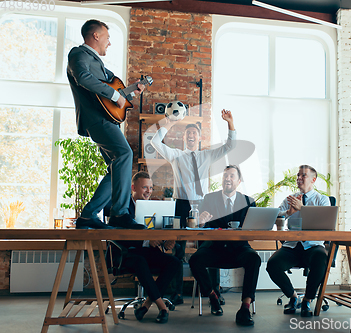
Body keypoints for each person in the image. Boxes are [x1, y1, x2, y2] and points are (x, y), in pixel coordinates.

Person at [67, 19, 146, 230]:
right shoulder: (78, 54)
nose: (109, 43)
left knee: (116, 168)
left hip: (103, 118)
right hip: (96, 119)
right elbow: (83, 77)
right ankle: (119, 214)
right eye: (108, 38)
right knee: (125, 154)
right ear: (96, 36)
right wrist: (114, 95)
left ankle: (88, 215)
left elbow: (115, 90)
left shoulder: (97, 63)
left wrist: (130, 91)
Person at [151, 110, 236, 304]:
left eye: (194, 133)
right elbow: (155, 143)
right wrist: (170, 122)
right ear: (183, 137)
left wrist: (230, 123)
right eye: (187, 133)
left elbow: (230, 145)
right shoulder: (175, 155)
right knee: (178, 250)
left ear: (199, 138)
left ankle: (215, 290)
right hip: (181, 205)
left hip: (204, 205)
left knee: (210, 247)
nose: (191, 136)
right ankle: (178, 293)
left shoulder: (207, 155)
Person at [188, 165, 260, 326]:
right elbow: (199, 227)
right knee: (195, 260)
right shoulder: (209, 199)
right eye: (225, 176)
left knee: (254, 259)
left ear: (239, 181)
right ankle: (213, 296)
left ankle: (245, 307)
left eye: (231, 176)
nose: (227, 179)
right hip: (214, 247)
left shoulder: (248, 201)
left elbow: (253, 231)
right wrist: (201, 222)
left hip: (239, 248)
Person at [108, 171, 182, 323]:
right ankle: (162, 307)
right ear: (133, 187)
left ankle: (146, 305)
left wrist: (165, 241)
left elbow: (156, 231)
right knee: (139, 260)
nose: (149, 191)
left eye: (151, 188)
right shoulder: (121, 208)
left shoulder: (153, 206)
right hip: (126, 254)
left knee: (174, 262)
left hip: (148, 252)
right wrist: (146, 241)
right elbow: (120, 236)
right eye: (144, 188)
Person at [266, 165, 330, 317]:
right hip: (292, 246)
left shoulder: (323, 200)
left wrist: (303, 209)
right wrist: (289, 212)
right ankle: (293, 297)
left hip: (313, 246)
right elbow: (275, 218)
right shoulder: (290, 200)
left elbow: (324, 223)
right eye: (298, 175)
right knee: (272, 264)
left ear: (313, 180)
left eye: (304, 175)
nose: (299, 178)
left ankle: (308, 299)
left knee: (321, 258)